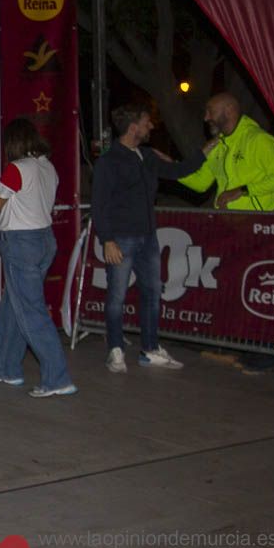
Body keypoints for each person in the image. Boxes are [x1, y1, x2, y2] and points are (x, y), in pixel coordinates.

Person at [91, 103, 206, 373]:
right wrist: (107, 239)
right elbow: (99, 203)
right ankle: (116, 350)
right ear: (133, 127)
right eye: (146, 122)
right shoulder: (110, 161)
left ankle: (150, 348)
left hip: (148, 237)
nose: (151, 126)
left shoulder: (147, 156)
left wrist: (204, 153)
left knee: (153, 292)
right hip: (121, 238)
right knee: (117, 295)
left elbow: (177, 171)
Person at [0, 118, 76, 397]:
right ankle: (3, 368)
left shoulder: (16, 168)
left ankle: (57, 377)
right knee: (13, 306)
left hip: (21, 243)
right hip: (44, 239)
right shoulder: (48, 167)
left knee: (31, 312)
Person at [179, 93, 274, 211]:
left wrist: (242, 190)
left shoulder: (258, 139)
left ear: (229, 110)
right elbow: (201, 183)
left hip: (263, 220)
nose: (206, 118)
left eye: (210, 111)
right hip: (231, 219)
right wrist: (173, 168)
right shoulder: (217, 145)